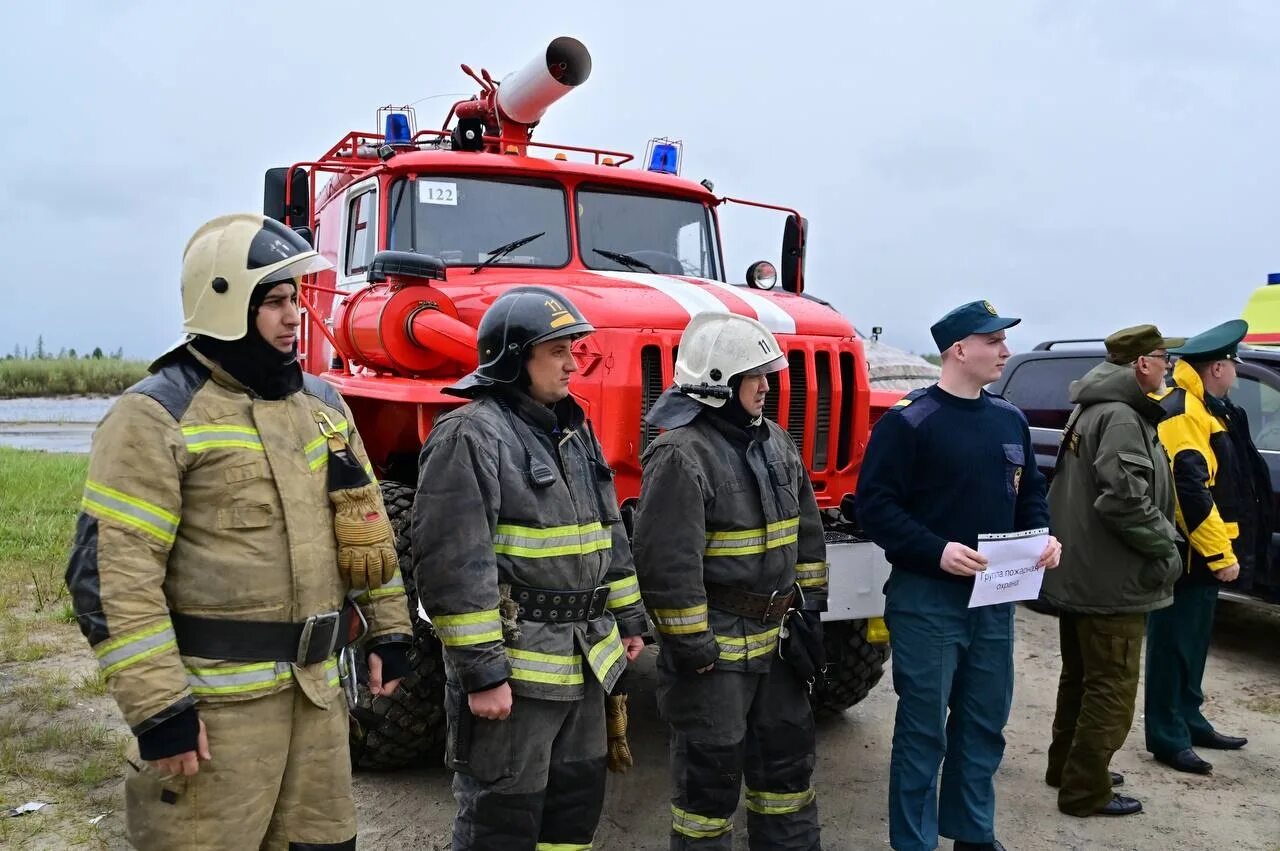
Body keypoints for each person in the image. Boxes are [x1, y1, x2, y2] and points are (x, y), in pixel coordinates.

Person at [65, 213, 414, 849]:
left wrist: (389, 631)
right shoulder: (154, 416)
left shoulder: (324, 407)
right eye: (275, 303)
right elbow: (114, 575)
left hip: (316, 702)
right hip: (215, 714)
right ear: (223, 302)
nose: (292, 317)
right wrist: (159, 710)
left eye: (294, 300)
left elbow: (367, 525)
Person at [412, 286, 648, 850]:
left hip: (585, 660)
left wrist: (629, 617)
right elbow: (453, 567)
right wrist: (482, 672)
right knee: (503, 825)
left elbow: (607, 529)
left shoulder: (573, 429)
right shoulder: (470, 434)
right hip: (515, 675)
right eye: (558, 350)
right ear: (515, 358)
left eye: (573, 347)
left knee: (571, 819)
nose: (573, 362)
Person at [856, 300, 1061, 851]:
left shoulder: (1008, 418)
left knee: (983, 722)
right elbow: (873, 507)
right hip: (929, 600)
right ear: (958, 350)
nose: (1005, 351)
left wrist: (1043, 539)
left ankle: (973, 832)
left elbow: (1030, 495)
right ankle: (914, 841)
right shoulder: (910, 422)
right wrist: (935, 551)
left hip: (994, 600)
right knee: (923, 732)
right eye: (993, 341)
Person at [631, 311, 828, 850]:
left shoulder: (776, 443)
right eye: (755, 376)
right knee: (708, 789)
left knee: (787, 776)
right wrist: (693, 647)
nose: (766, 386)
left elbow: (807, 534)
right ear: (719, 382)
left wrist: (810, 611)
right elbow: (666, 566)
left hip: (779, 647)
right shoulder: (680, 453)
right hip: (715, 654)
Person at [1041, 325, 1185, 817]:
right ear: (1142, 363)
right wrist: (1167, 547)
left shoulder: (1094, 406)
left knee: (1081, 679)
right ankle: (1086, 790)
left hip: (1084, 573)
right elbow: (1124, 502)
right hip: (1111, 581)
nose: (1169, 368)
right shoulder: (1122, 415)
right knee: (1112, 689)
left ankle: (1070, 766)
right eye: (1165, 359)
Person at [1146, 319, 1269, 774]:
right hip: (1191, 552)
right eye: (1234, 364)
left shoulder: (1213, 406)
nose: (1237, 371)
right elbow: (1190, 491)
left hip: (1210, 549)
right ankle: (1166, 735)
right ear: (1218, 367)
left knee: (1194, 642)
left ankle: (1190, 719)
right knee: (1173, 643)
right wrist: (1220, 553)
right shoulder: (1182, 410)